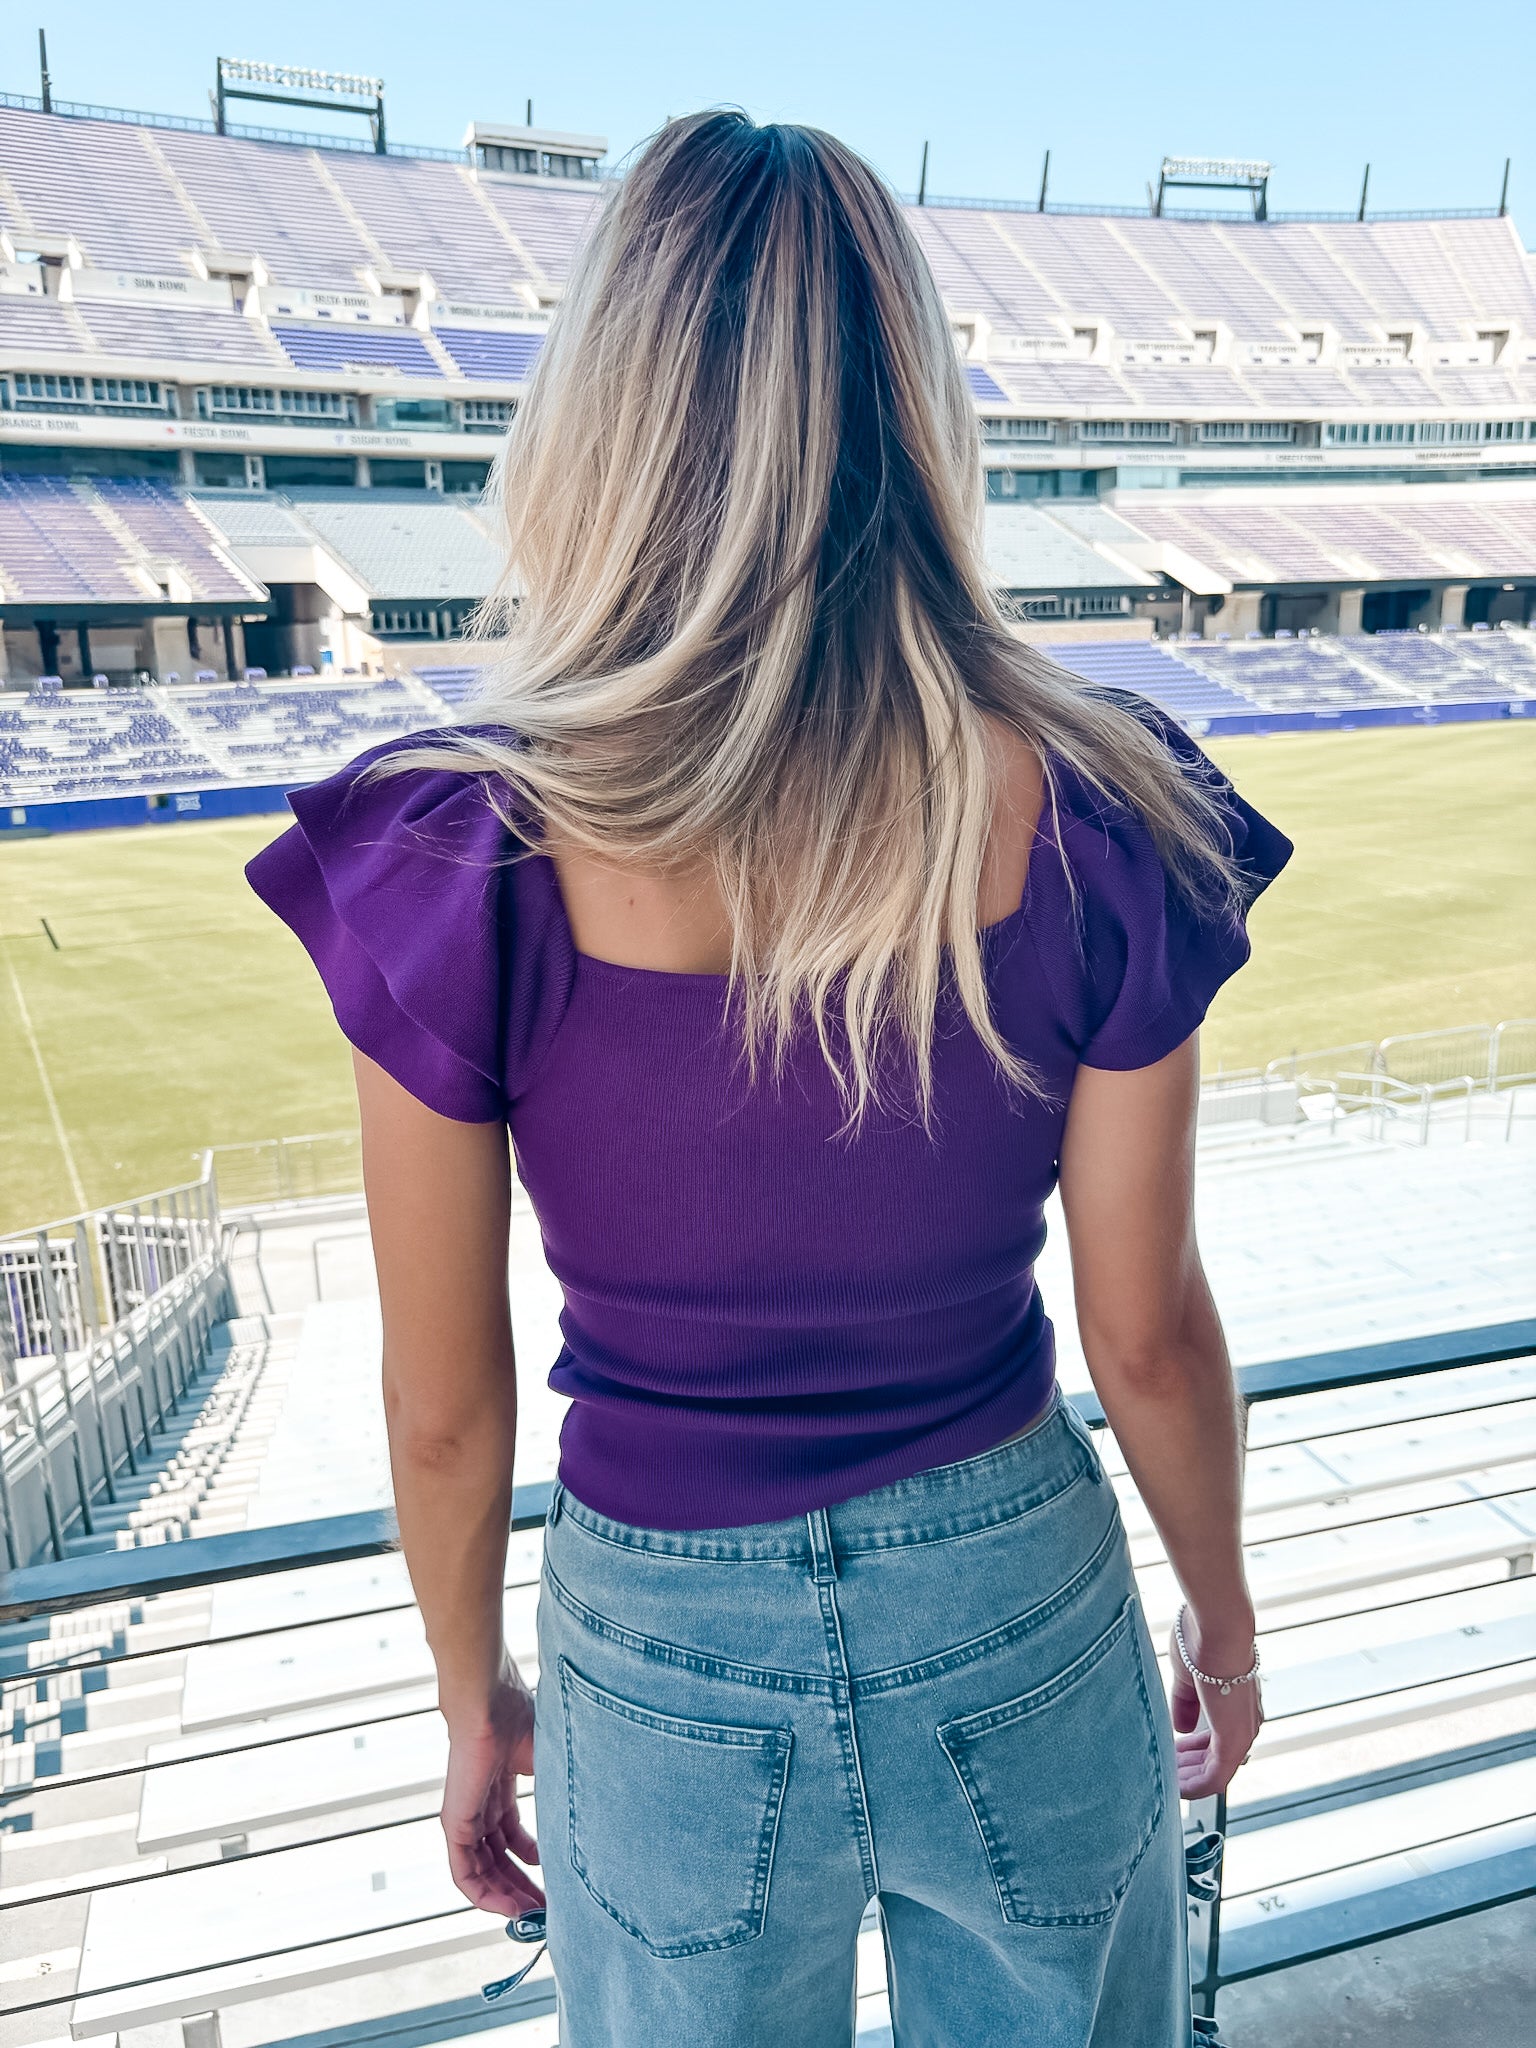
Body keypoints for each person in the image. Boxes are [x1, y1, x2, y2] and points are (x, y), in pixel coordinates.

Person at [247, 110, 1289, 2048]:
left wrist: (471, 1695)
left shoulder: (462, 850)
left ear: (603, 412)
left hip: (657, 1642)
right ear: (913, 403)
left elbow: (445, 1408)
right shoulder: (1101, 804)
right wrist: (1222, 1611)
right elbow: (1143, 1329)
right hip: (1018, 1589)